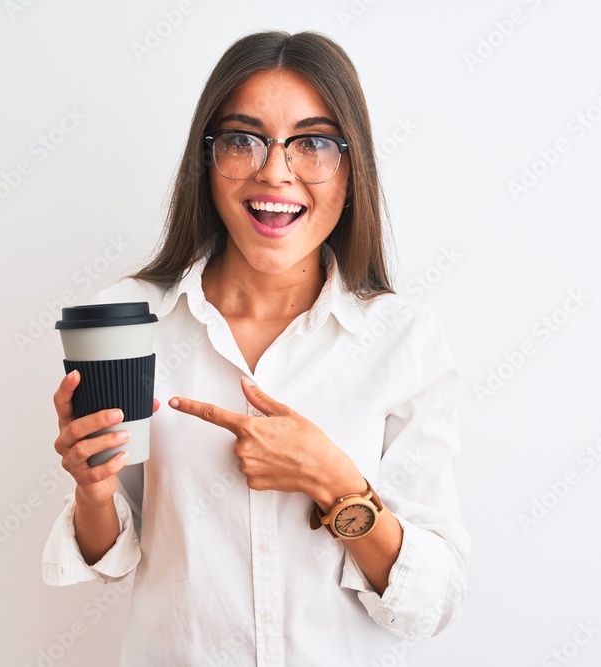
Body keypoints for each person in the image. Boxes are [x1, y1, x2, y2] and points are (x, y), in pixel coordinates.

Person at [42, 30, 471, 666]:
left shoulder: (401, 340)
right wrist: (92, 491)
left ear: (352, 171)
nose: (276, 171)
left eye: (314, 143)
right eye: (243, 140)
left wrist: (334, 481)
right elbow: (112, 557)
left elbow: (431, 600)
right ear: (206, 162)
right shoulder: (132, 319)